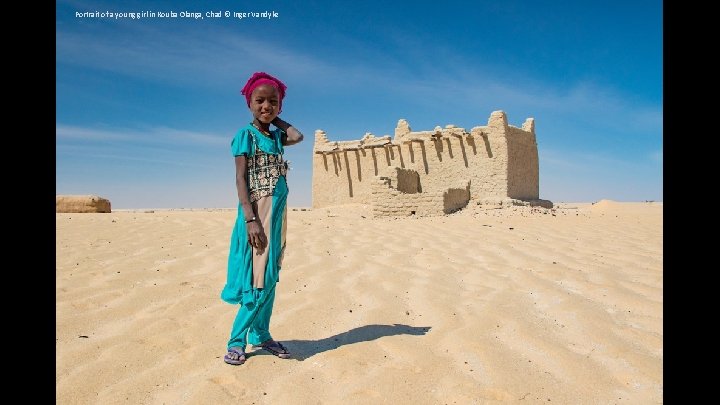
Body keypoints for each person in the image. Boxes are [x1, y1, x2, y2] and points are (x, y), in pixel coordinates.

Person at [220, 72, 304, 365]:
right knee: (258, 279)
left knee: (272, 276)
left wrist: (274, 118)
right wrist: (250, 219)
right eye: (259, 101)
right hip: (258, 214)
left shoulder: (277, 135)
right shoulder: (246, 135)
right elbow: (240, 179)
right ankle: (236, 339)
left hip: (279, 215)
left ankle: (261, 334)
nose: (266, 106)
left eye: (273, 101)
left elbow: (297, 136)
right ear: (249, 104)